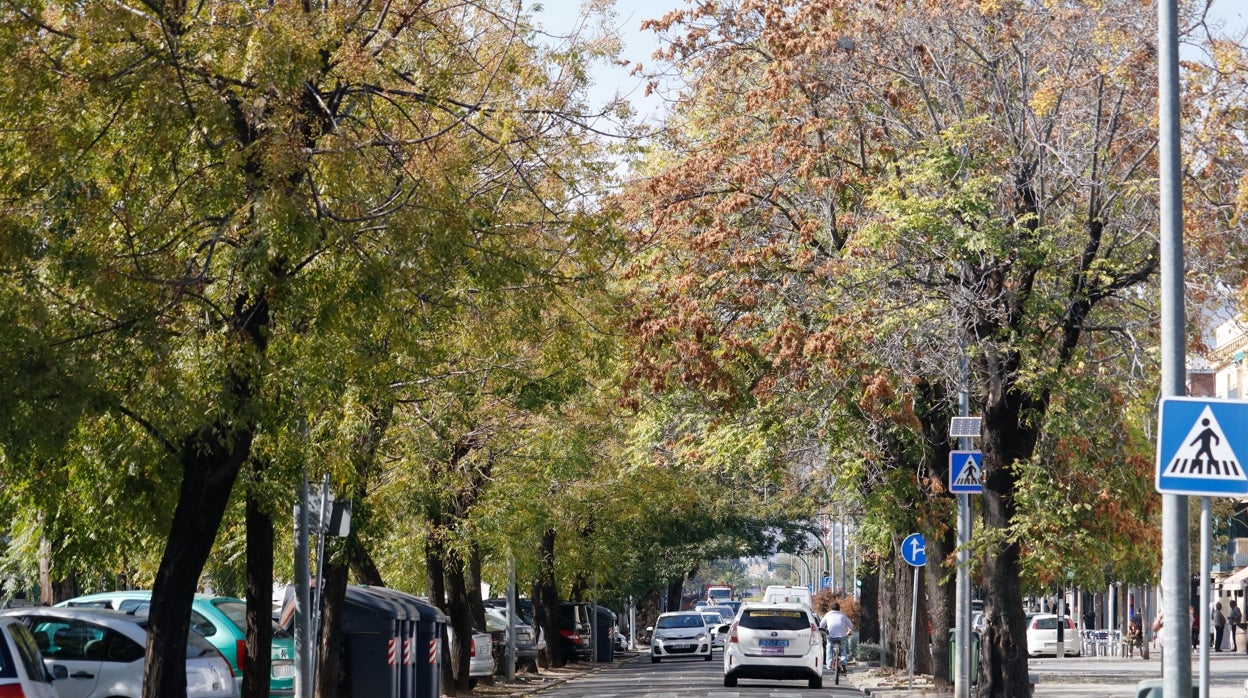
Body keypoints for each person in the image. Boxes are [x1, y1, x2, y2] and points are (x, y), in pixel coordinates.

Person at [820, 602, 854, 673]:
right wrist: (849, 631)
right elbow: (851, 625)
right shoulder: (842, 615)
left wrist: (823, 633)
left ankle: (829, 664)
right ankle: (844, 664)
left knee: (829, 648)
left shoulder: (828, 615)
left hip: (831, 636)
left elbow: (821, 625)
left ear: (831, 608)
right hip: (842, 636)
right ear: (839, 608)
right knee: (843, 650)